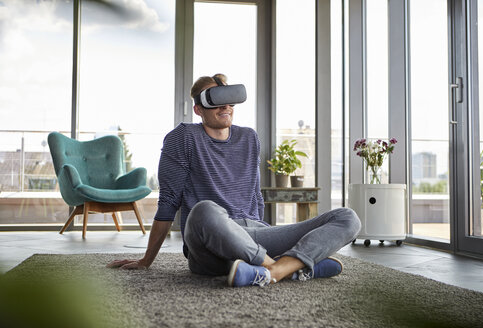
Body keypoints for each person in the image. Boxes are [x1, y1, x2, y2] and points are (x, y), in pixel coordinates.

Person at [107, 73, 361, 287]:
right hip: (209, 240)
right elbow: (169, 201)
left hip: (254, 235)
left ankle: (272, 271)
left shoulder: (249, 138)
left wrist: (261, 233)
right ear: (198, 109)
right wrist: (146, 260)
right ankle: (289, 266)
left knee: (347, 217)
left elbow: (255, 196)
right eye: (215, 101)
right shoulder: (183, 137)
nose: (225, 106)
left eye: (228, 100)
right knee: (204, 209)